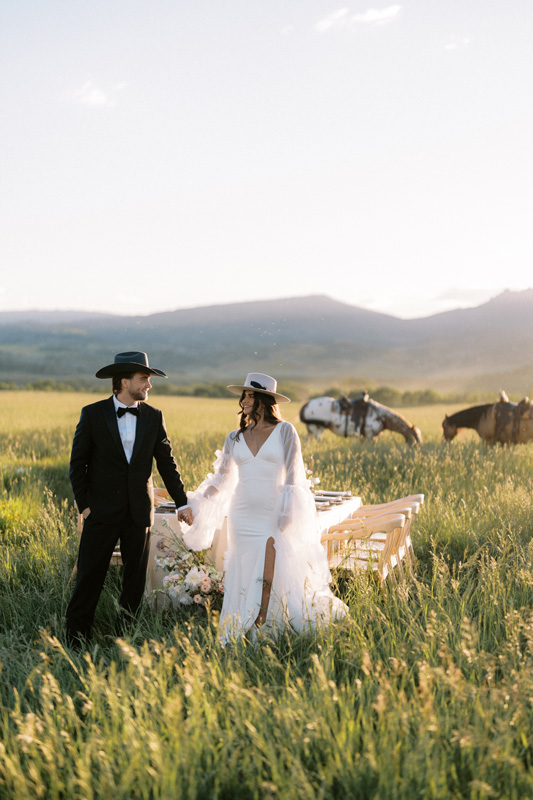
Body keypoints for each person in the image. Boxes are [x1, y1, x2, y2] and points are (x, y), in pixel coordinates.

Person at [181, 372, 348, 643]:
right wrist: (197, 502)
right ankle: (241, 627)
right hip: (241, 513)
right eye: (243, 396)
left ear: (263, 400)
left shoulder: (285, 431)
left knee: (272, 567)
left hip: (272, 511)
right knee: (243, 565)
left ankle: (268, 627)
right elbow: (222, 478)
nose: (243, 400)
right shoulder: (234, 437)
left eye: (249, 395)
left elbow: (294, 476)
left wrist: (285, 512)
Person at [66, 351, 192, 647]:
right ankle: (75, 640)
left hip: (138, 513)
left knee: (134, 582)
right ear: (124, 381)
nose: (149, 385)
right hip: (99, 512)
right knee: (89, 578)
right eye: (144, 379)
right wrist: (84, 506)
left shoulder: (153, 416)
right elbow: (77, 464)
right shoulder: (93, 414)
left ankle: (126, 639)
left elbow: (166, 463)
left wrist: (182, 501)